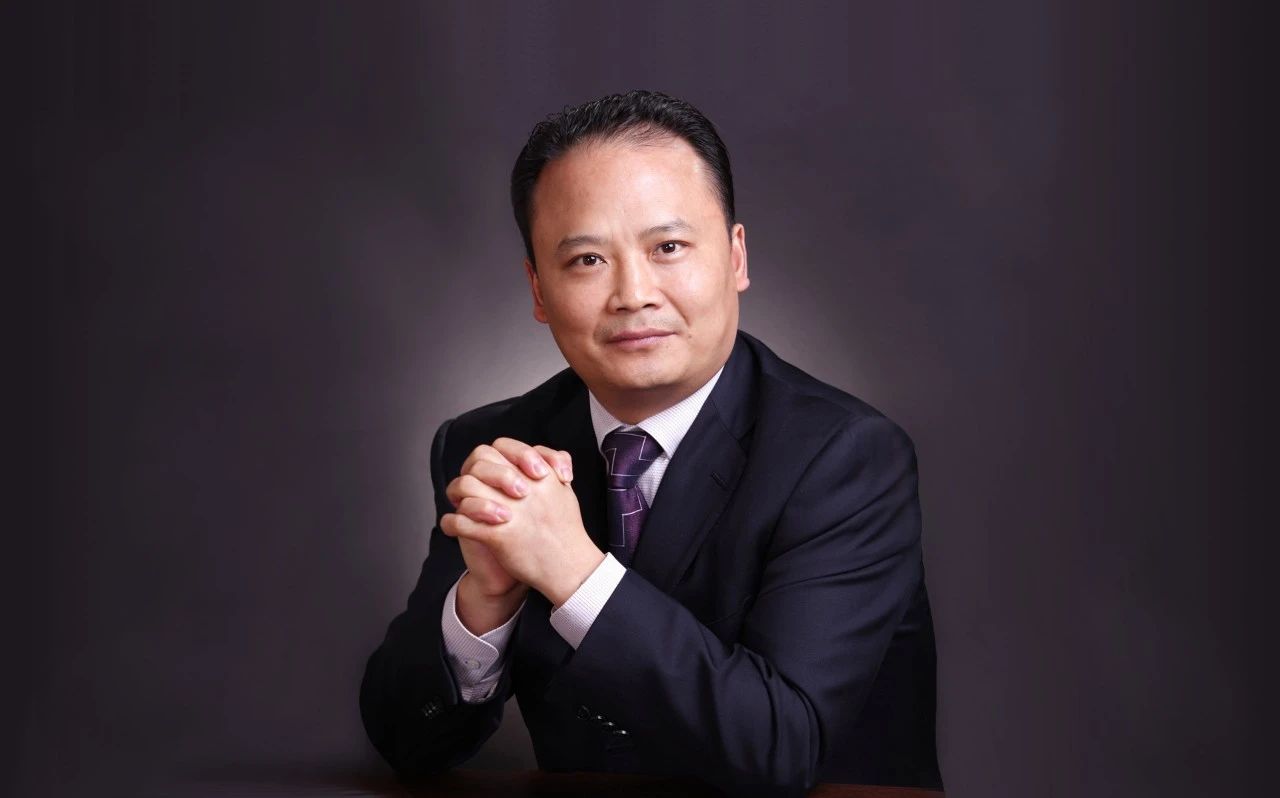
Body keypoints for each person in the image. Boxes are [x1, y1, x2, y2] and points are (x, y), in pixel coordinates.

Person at [359, 90, 942, 796]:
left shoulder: (846, 456)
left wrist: (573, 571)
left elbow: (782, 748)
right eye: (586, 260)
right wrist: (484, 603)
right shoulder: (493, 446)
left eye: (668, 247)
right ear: (538, 290)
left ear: (735, 257)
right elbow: (406, 742)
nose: (633, 294)